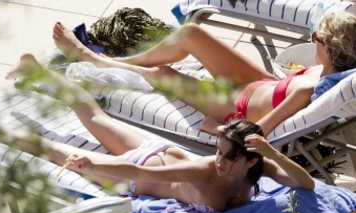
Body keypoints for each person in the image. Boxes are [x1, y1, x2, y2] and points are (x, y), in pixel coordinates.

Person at [0, 53, 314, 213]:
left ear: (249, 161)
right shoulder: (207, 171)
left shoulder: (261, 165)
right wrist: (92, 165)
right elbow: (135, 169)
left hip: (158, 154)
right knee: (59, 146)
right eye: (218, 151)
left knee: (93, 119)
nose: (219, 160)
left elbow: (307, 184)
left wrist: (271, 152)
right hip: (142, 174)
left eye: (228, 157)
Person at [48, 11, 356, 137]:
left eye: (315, 38)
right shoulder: (328, 71)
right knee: (191, 33)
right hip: (261, 84)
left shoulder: (307, 92)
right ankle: (131, 59)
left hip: (236, 106)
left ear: (330, 48)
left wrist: (220, 129)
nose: (311, 39)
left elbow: (257, 135)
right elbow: (280, 89)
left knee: (165, 73)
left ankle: (89, 57)